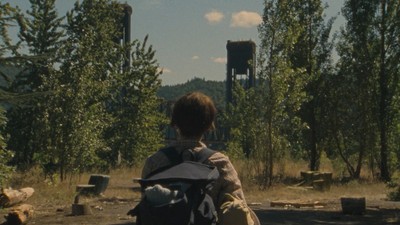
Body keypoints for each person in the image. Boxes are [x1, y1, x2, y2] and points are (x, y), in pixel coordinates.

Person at [141, 91, 259, 225]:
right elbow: (237, 209)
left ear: (175, 123)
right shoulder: (220, 163)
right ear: (209, 125)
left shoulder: (154, 162)